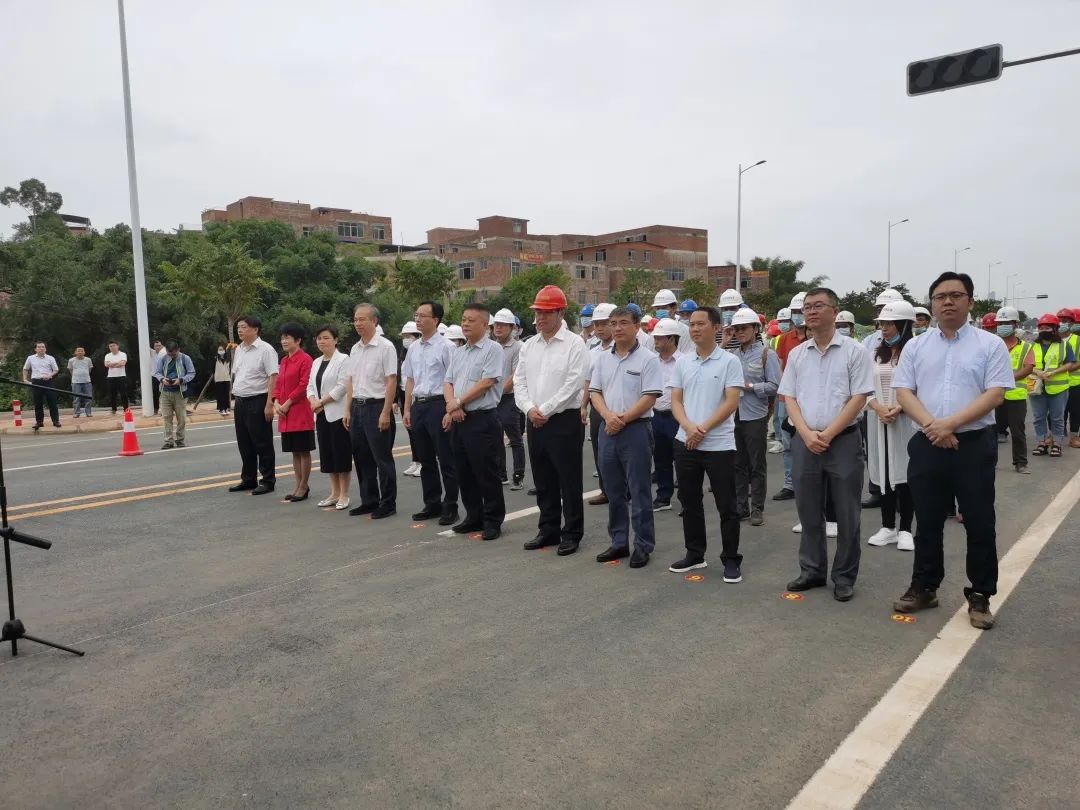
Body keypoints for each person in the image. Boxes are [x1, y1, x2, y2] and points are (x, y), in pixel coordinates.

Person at [891, 271, 1015, 629]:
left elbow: (996, 393)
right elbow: (904, 392)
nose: (947, 301)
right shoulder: (916, 346)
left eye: (956, 295)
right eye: (940, 296)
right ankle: (924, 586)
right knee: (927, 520)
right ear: (931, 303)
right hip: (928, 444)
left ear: (970, 302)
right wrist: (934, 427)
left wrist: (951, 424)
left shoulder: (989, 345)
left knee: (979, 521)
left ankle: (980, 594)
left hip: (973, 445)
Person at [779, 287, 874, 602]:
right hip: (805, 441)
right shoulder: (797, 354)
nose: (811, 311)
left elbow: (859, 397)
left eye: (818, 305)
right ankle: (812, 570)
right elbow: (789, 397)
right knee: (808, 511)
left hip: (842, 441)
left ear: (835, 311)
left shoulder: (854, 351)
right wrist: (806, 434)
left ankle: (844, 576)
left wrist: (829, 433)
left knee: (847, 513)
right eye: (807, 306)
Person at [667, 306, 745, 581]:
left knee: (727, 505)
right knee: (689, 502)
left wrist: (703, 429)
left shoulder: (729, 362)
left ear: (716, 327)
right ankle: (695, 553)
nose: (695, 329)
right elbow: (676, 400)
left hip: (719, 445)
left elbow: (731, 402)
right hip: (685, 442)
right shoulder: (683, 362)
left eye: (701, 324)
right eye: (692, 324)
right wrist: (689, 428)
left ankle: (731, 559)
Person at [514, 285, 590, 556]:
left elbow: (573, 384)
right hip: (534, 419)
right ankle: (548, 529)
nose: (541, 318)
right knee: (543, 478)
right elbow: (519, 382)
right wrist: (529, 409)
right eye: (538, 312)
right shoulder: (529, 346)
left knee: (568, 479)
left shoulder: (574, 344)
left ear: (561, 313)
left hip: (563, 419)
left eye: (547, 312)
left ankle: (572, 532)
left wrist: (544, 409)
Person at [589, 306, 663, 568]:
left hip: (636, 430)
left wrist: (621, 419)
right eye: (613, 323)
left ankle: (643, 544)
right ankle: (619, 541)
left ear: (636, 327)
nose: (617, 328)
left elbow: (650, 397)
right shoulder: (602, 359)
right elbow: (595, 392)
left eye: (623, 322)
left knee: (639, 489)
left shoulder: (648, 359)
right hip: (608, 430)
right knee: (614, 490)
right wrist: (608, 416)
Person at [442, 303, 506, 541]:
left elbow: (487, 382)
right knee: (464, 471)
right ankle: (473, 516)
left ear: (484, 324)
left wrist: (458, 402)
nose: (465, 324)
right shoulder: (458, 352)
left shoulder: (493, 349)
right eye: (463, 319)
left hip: (482, 419)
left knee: (486, 471)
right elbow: (448, 382)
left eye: (471, 320)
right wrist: (453, 406)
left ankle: (493, 520)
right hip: (460, 418)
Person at [864, 302, 919, 551]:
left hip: (906, 421)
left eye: (889, 324)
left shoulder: (915, 352)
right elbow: (864, 386)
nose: (884, 329)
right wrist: (877, 407)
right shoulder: (876, 353)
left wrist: (900, 408)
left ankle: (905, 529)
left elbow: (921, 386)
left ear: (904, 325)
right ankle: (887, 527)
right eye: (882, 324)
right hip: (879, 421)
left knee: (905, 474)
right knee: (884, 474)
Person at [402, 301, 459, 526]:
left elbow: (453, 380)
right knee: (425, 459)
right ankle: (432, 503)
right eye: (416, 315)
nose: (418, 319)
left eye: (423, 315)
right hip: (419, 406)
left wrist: (450, 409)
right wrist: (407, 408)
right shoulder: (414, 348)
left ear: (435, 320)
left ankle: (451, 506)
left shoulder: (447, 347)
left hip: (439, 404)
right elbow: (410, 379)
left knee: (446, 458)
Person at [343, 304, 399, 519]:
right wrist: (348, 409)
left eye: (362, 319)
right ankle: (369, 500)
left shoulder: (385, 347)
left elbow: (391, 380)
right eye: (355, 319)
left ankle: (388, 503)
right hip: (357, 407)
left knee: (382, 458)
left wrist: (385, 412)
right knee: (361, 457)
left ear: (374, 321)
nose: (357, 323)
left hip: (377, 406)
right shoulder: (355, 349)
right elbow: (351, 381)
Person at [731, 308, 781, 526]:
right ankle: (741, 506)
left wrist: (751, 386)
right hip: (734, 415)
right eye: (736, 329)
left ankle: (757, 507)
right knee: (738, 464)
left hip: (755, 415)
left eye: (744, 328)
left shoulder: (766, 354)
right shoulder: (733, 356)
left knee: (756, 464)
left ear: (755, 329)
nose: (740, 332)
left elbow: (776, 385)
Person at [228, 316, 279, 495]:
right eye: (238, 327)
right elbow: (238, 373)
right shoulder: (239, 349)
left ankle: (268, 480)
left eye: (243, 327)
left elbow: (273, 377)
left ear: (255, 329)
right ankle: (248, 479)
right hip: (240, 400)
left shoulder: (266, 350)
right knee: (244, 442)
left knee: (262, 442)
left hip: (258, 399)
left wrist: (269, 403)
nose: (239, 330)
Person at [307, 324, 353, 510]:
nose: (322, 341)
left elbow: (342, 387)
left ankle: (344, 495)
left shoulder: (343, 359)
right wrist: (313, 401)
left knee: (341, 454)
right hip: (321, 415)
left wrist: (320, 402)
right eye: (319, 338)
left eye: (326, 338)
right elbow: (310, 386)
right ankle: (334, 493)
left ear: (336, 340)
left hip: (338, 414)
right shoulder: (316, 362)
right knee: (327, 455)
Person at [273, 323, 314, 502]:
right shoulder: (284, 360)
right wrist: (276, 402)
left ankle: (304, 486)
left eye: (287, 338)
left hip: (300, 412)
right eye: (282, 338)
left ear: (298, 340)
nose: (283, 341)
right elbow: (278, 384)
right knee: (294, 452)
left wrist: (287, 403)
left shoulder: (305, 359)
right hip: (285, 413)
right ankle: (298, 485)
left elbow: (304, 385)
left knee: (303, 451)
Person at [772, 292, 807, 500]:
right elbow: (782, 369)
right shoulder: (784, 339)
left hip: (809, 400)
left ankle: (807, 482)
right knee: (788, 444)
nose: (797, 315)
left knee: (809, 443)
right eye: (794, 311)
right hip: (787, 399)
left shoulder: (816, 338)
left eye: (800, 311)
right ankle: (789, 484)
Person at [1029, 313, 1077, 458]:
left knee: (1057, 418)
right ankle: (1042, 443)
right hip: (1036, 387)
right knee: (1038, 417)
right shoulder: (1032, 345)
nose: (1044, 330)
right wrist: (1038, 372)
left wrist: (1054, 372)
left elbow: (1070, 363)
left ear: (1055, 329)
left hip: (1058, 388)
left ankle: (1057, 444)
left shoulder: (1064, 345)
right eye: (1041, 328)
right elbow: (1027, 365)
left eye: (1047, 328)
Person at [992, 307, 1034, 473]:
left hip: (1016, 396)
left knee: (1017, 432)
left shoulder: (1025, 347)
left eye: (1006, 323)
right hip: (993, 395)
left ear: (1015, 324)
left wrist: (1007, 379)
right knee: (991, 431)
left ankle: (1021, 463)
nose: (1002, 326)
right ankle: (990, 462)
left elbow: (1028, 368)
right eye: (1000, 323)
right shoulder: (991, 344)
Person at [583, 303, 616, 506]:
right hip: (597, 407)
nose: (600, 328)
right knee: (600, 450)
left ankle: (624, 490)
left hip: (619, 407)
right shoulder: (593, 351)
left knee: (621, 452)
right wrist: (583, 406)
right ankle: (605, 490)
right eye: (597, 324)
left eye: (604, 323)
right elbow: (588, 381)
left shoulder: (624, 348)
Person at [492, 308, 526, 490]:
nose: (498, 328)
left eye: (503, 325)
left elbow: (515, 376)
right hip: (492, 398)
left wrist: (497, 393)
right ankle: (501, 474)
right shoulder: (491, 346)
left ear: (512, 327)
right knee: (495, 437)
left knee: (514, 438)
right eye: (496, 324)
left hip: (509, 398)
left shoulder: (518, 347)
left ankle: (518, 475)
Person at [650, 318, 682, 511]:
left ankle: (687, 499)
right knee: (661, 459)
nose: (656, 341)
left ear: (671, 339)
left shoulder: (684, 361)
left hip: (677, 418)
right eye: (655, 337)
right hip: (656, 416)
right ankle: (663, 497)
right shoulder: (652, 362)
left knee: (683, 460)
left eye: (660, 338)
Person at [152, 339, 196, 450]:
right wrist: (162, 379)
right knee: (167, 417)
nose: (171, 356)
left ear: (178, 350)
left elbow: (191, 373)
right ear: (166, 351)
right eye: (169, 353)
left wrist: (181, 380)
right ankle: (168, 441)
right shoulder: (163, 358)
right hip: (165, 392)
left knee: (181, 418)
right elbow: (157, 372)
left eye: (174, 354)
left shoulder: (185, 358)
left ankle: (180, 440)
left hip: (180, 392)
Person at [398, 321, 423, 478]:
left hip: (418, 395)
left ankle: (422, 462)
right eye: (404, 336)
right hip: (404, 393)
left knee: (418, 431)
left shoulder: (419, 353)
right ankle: (415, 460)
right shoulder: (403, 355)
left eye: (409, 336)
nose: (406, 339)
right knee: (410, 430)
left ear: (417, 336)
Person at [22, 342, 61, 429]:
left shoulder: (50, 358)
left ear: (45, 349)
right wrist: (24, 379)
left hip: (48, 382)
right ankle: (39, 422)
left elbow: (56, 370)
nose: (41, 348)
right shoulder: (30, 358)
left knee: (52, 402)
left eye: (43, 347)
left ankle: (56, 421)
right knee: (38, 403)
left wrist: (50, 375)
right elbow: (25, 369)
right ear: (35, 349)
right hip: (36, 382)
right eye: (39, 347)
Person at [1066, 307, 1080, 447]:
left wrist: (1065, 369)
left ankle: (1074, 436)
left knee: (1075, 411)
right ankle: (1056, 436)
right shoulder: (1055, 339)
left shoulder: (1078, 340)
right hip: (1058, 382)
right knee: (1057, 413)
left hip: (1076, 382)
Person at [68, 347, 93, 418]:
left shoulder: (88, 360)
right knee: (76, 398)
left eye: (82, 351)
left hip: (87, 381)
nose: (80, 352)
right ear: (75, 352)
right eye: (78, 351)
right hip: (76, 381)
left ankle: (88, 412)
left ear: (84, 352)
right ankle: (76, 413)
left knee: (88, 397)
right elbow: (70, 370)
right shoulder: (71, 360)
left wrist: (84, 374)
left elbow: (90, 369)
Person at [104, 341, 128, 414]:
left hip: (121, 376)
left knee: (123, 394)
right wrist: (117, 363)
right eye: (110, 346)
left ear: (117, 346)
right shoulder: (107, 355)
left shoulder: (123, 354)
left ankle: (126, 409)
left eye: (113, 345)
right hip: (111, 377)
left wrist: (112, 364)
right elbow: (106, 365)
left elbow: (123, 363)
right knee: (112, 394)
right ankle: (113, 409)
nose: (112, 347)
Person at [213, 345, 232, 415]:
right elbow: (213, 369)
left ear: (224, 350)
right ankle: (221, 409)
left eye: (222, 349)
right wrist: (215, 377)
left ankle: (227, 408)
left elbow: (230, 369)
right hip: (219, 379)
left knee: (226, 394)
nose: (221, 351)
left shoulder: (228, 359)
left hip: (227, 378)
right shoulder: (215, 359)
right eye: (219, 349)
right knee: (220, 394)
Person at [151, 339, 166, 414]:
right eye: (156, 346)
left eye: (159, 345)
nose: (158, 347)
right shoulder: (152, 352)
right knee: (155, 392)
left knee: (163, 392)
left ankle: (163, 408)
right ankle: (156, 408)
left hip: (162, 376)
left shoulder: (164, 352)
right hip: (154, 376)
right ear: (154, 347)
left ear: (162, 346)